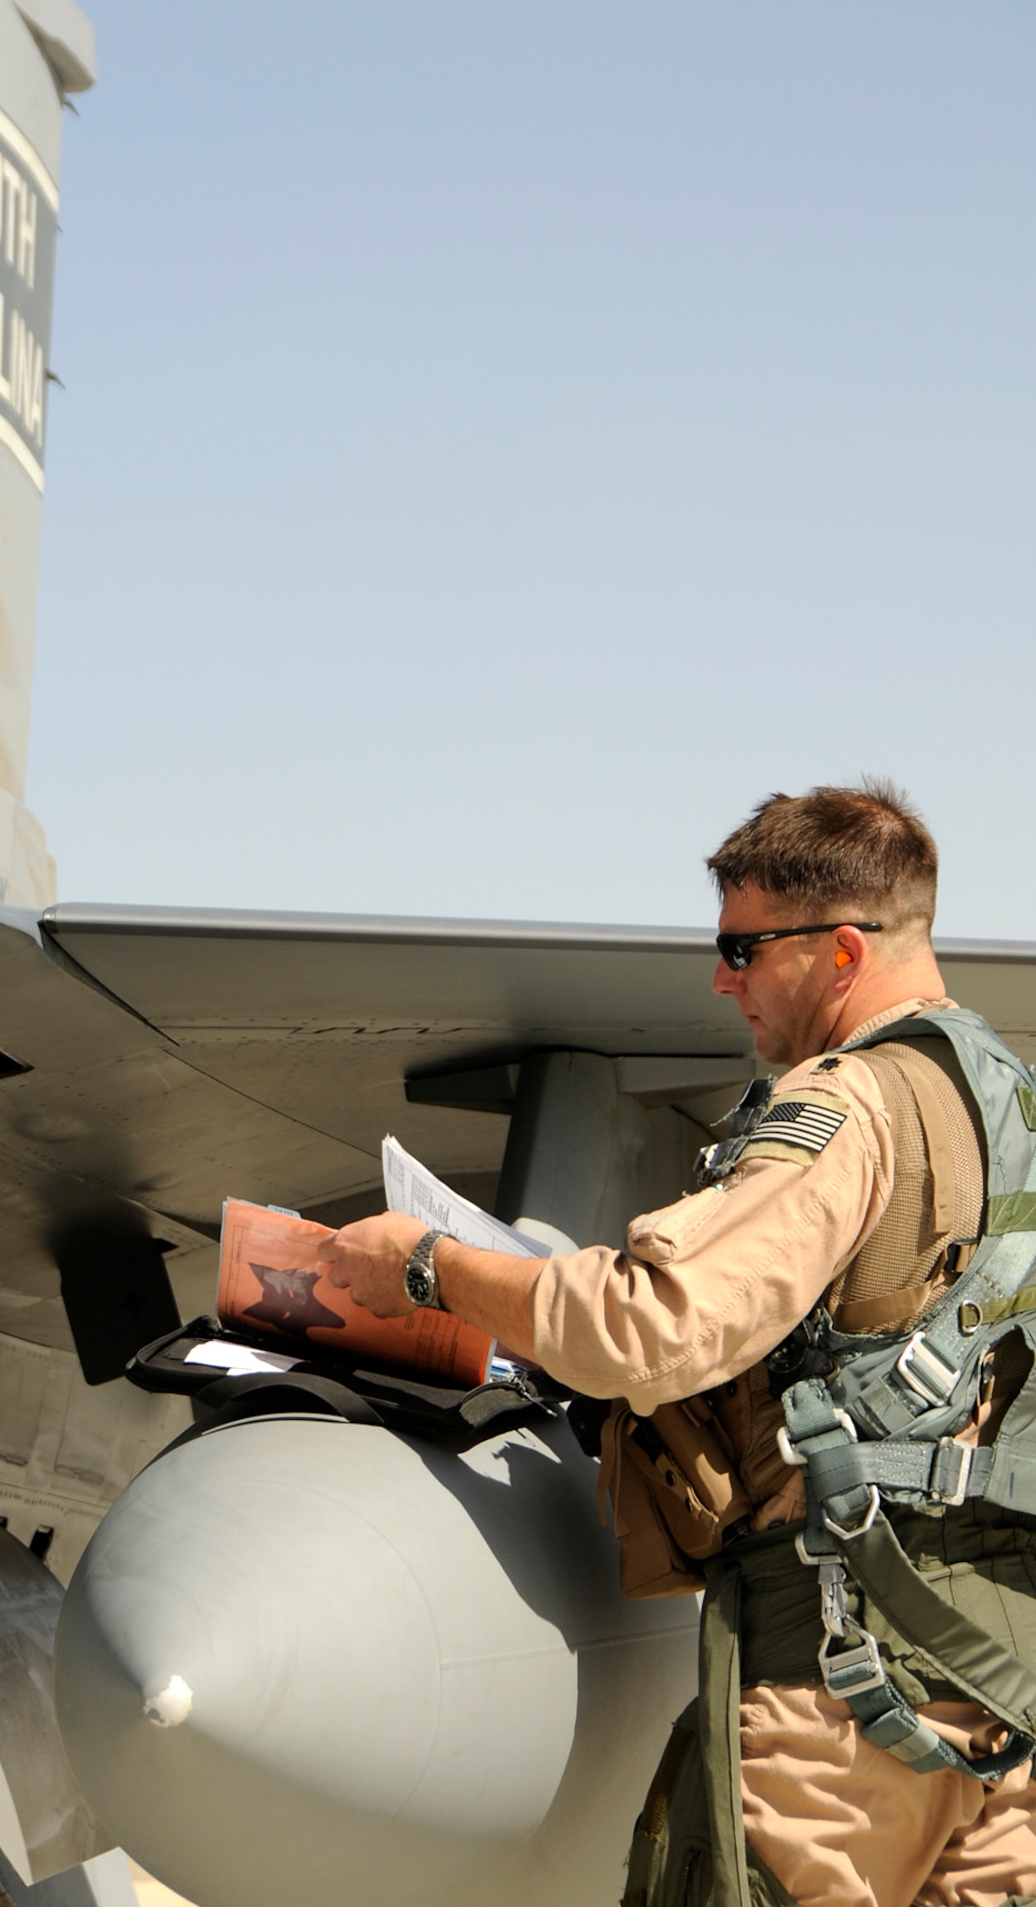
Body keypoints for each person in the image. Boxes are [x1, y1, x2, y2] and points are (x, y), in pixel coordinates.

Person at [319, 781, 1036, 1907]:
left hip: (841, 1684)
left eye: (744, 947)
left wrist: (428, 1268)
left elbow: (652, 1326)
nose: (720, 976)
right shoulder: (1013, 1111)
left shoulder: (849, 1106)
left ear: (841, 949)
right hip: (1003, 1683)